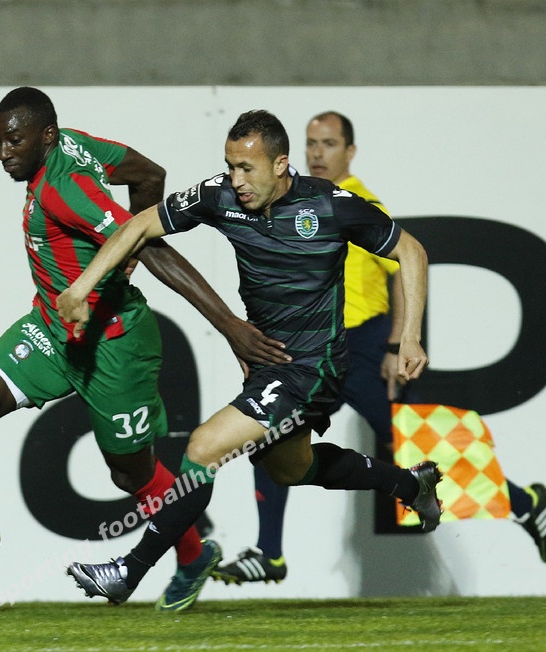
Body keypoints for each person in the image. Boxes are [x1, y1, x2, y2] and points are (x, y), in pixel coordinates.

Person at [0, 87, 287, 611]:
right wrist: (118, 253)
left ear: (45, 136)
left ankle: (194, 554)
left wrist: (227, 325)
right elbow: (150, 174)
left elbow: (150, 243)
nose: (3, 153)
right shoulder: (74, 145)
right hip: (52, 329)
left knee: (130, 473)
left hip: (115, 345)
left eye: (13, 141)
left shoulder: (64, 189)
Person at [61, 109, 440, 611]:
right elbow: (139, 227)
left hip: (314, 366)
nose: (235, 180)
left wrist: (409, 336)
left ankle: (128, 571)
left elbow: (411, 251)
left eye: (247, 168)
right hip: (268, 366)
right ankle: (409, 483)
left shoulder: (331, 205)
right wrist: (82, 287)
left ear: (281, 164)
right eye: (230, 166)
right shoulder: (219, 196)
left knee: (203, 447)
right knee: (291, 469)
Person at [212, 111, 546, 586]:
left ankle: (525, 503)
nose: (318, 153)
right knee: (272, 434)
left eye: (329, 143)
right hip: (311, 349)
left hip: (364, 348)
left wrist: (397, 343)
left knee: (420, 446)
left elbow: (401, 268)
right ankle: (268, 552)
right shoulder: (289, 201)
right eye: (312, 143)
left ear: (350, 151)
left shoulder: (353, 201)